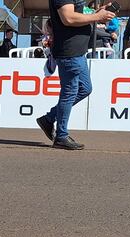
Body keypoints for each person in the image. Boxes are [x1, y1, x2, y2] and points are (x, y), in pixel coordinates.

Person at [33, 0, 114, 150]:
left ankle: (49, 119)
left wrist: (97, 14)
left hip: (78, 51)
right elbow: (68, 18)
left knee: (85, 88)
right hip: (69, 51)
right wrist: (97, 17)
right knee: (69, 92)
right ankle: (61, 136)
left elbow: (74, 14)